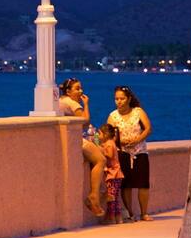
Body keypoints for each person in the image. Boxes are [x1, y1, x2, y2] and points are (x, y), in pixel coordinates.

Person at [58, 78, 106, 217]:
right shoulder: (72, 103)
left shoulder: (60, 101)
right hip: (75, 140)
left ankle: (96, 196)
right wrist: (86, 104)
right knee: (100, 159)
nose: (81, 91)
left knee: (97, 153)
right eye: (77, 88)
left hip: (69, 139)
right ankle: (93, 196)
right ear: (68, 91)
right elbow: (84, 123)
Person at [107, 85, 153, 222]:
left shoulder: (138, 112)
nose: (119, 101)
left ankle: (144, 213)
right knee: (126, 184)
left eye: (122, 98)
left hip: (140, 152)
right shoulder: (113, 116)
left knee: (143, 183)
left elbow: (148, 128)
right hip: (123, 153)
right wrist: (118, 142)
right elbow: (108, 135)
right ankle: (131, 213)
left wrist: (137, 139)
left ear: (128, 99)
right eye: (116, 99)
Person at [97, 123, 125, 225]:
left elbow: (109, 154)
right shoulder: (112, 142)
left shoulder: (109, 143)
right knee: (115, 198)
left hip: (113, 174)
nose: (99, 136)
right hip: (117, 174)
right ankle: (119, 218)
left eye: (99, 134)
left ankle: (111, 218)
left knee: (110, 197)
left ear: (105, 134)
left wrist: (101, 149)